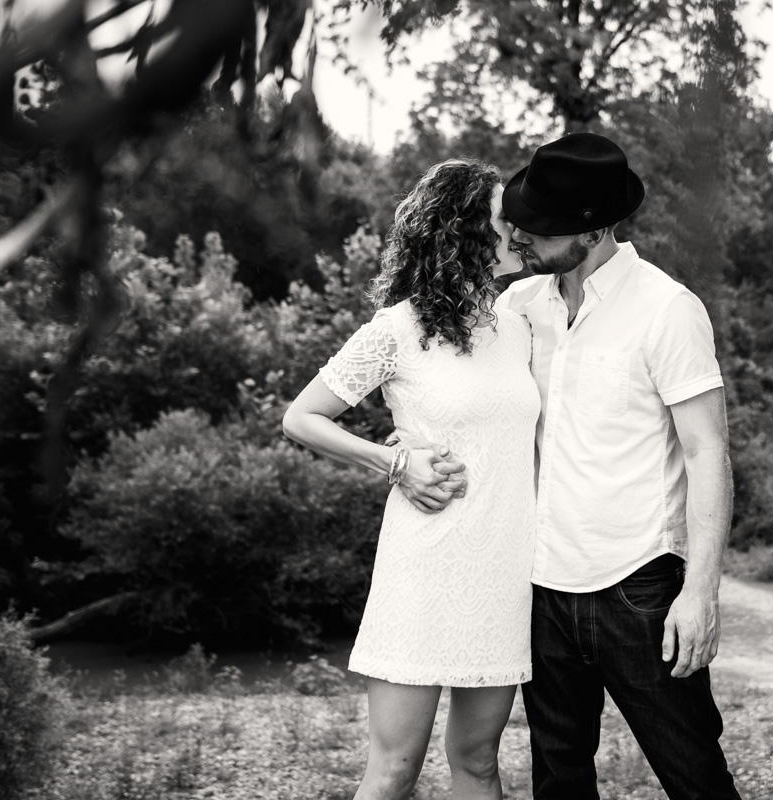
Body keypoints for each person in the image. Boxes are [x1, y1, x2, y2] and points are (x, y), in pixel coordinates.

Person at [406, 132, 741, 799]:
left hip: (640, 587)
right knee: (559, 782)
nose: (521, 236)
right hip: (539, 589)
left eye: (540, 226)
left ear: (592, 230)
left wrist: (699, 593)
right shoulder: (518, 308)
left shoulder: (667, 310)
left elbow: (709, 455)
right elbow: (450, 390)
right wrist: (404, 448)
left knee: (695, 777)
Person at [281, 158, 536, 800]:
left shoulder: (522, 322)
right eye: (508, 220)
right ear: (463, 231)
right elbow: (301, 418)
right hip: (424, 567)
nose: (523, 232)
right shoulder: (399, 328)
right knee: (394, 768)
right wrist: (395, 460)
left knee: (478, 760)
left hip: (502, 570)